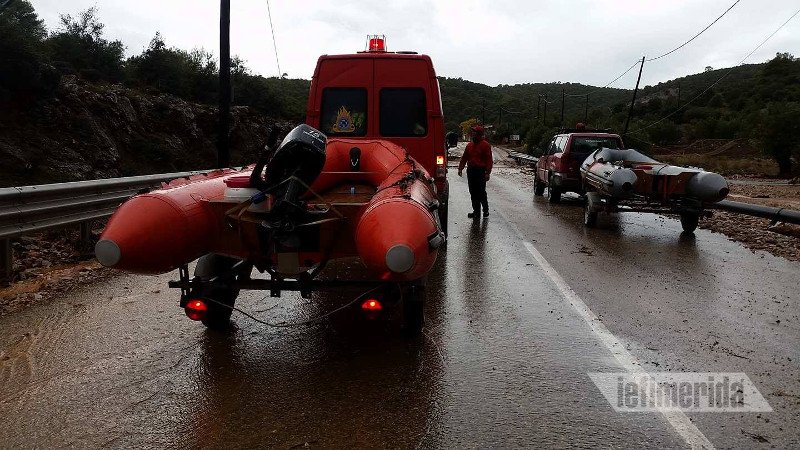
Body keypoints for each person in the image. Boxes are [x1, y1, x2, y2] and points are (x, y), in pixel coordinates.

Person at [458, 125, 493, 218]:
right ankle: (476, 211)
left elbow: (489, 160)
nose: (473, 134)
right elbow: (464, 157)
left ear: (479, 134)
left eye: (475, 132)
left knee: (481, 192)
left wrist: (487, 173)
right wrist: (460, 168)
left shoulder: (485, 145)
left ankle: (485, 210)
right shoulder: (469, 145)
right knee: (472, 191)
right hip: (471, 171)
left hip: (480, 171)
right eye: (472, 132)